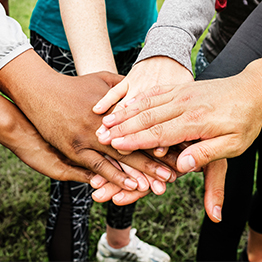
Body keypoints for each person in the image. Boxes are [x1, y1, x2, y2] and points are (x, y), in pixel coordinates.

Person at [95, 2, 262, 261]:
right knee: (227, 198)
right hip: (222, 57)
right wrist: (168, 46)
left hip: (235, 76)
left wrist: (253, 85)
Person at [29, 0, 172, 261]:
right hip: (67, 41)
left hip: (136, 37)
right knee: (78, 175)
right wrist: (107, 105)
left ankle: (117, 244)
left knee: (134, 150)